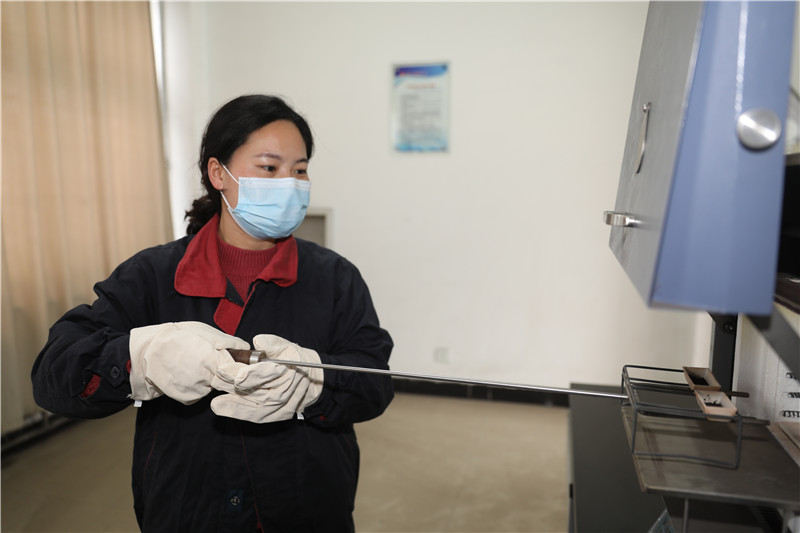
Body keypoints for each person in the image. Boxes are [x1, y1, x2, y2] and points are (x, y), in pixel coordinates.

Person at [31, 94, 394, 533]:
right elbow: (54, 376)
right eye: (269, 167)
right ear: (218, 173)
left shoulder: (335, 278)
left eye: (300, 170)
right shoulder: (153, 275)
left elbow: (375, 381)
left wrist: (316, 382)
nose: (290, 183)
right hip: (187, 509)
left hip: (307, 508)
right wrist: (140, 358)